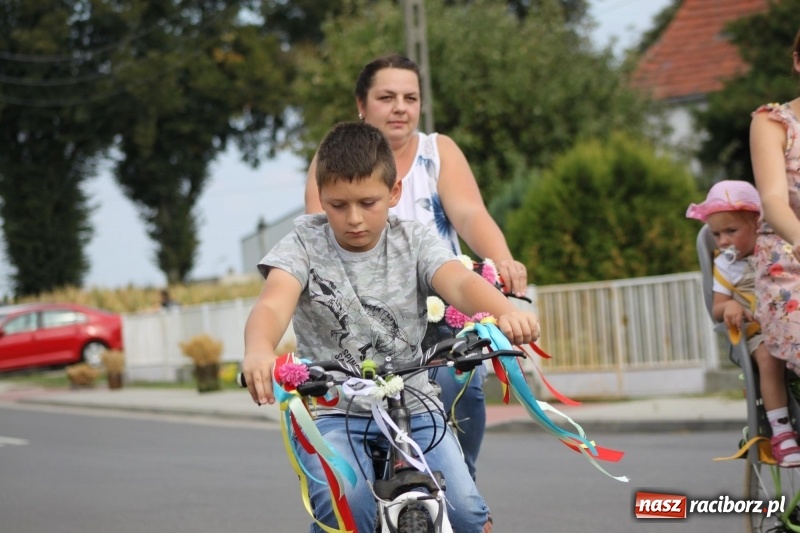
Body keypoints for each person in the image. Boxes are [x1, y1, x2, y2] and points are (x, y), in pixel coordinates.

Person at [243, 121, 540, 533]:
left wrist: (503, 311)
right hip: (333, 408)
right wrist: (258, 350)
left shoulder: (414, 241)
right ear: (321, 200)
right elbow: (273, 304)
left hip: (415, 402)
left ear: (394, 193)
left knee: (467, 515)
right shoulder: (303, 245)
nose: (354, 219)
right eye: (337, 205)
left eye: (368, 202)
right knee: (347, 506)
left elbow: (459, 282)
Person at [304, 53, 529, 481]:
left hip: (440, 310)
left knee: (457, 381)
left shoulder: (437, 151)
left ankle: (463, 485)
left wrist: (501, 258)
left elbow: (469, 214)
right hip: (362, 319)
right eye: (386, 97)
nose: (400, 107)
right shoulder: (332, 160)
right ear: (361, 104)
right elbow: (317, 241)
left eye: (411, 97)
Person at [687, 180, 800, 466]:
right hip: (756, 332)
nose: (722, 240)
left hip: (787, 323)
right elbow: (717, 307)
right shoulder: (727, 264)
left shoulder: (778, 248)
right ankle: (782, 431)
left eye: (731, 231)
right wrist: (731, 305)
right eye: (716, 234)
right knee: (769, 356)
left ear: (756, 223)